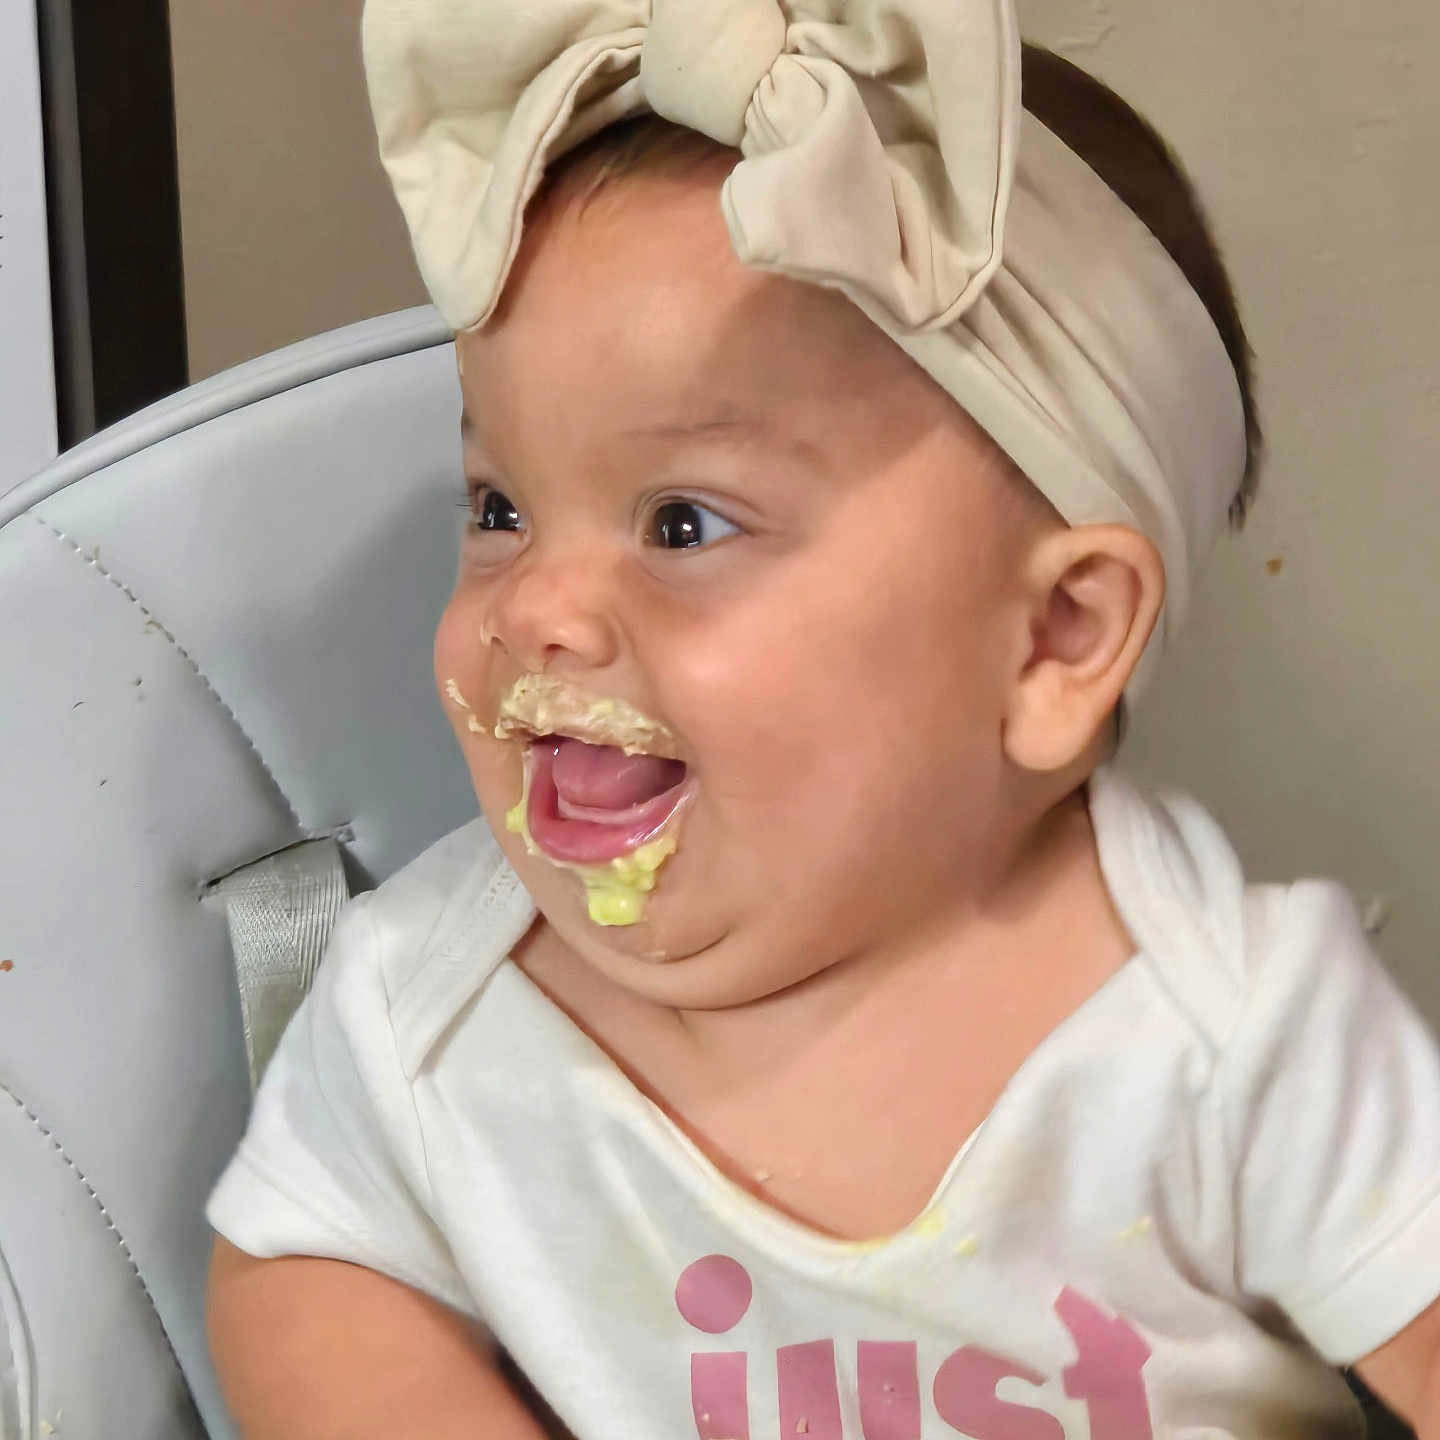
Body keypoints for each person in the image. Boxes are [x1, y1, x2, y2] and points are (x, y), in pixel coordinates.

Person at [204, 2, 1440, 1435]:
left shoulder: (1236, 1032)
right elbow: (303, 1271)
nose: (537, 604)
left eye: (683, 521)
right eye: (500, 508)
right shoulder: (425, 1007)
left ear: (1054, 640)